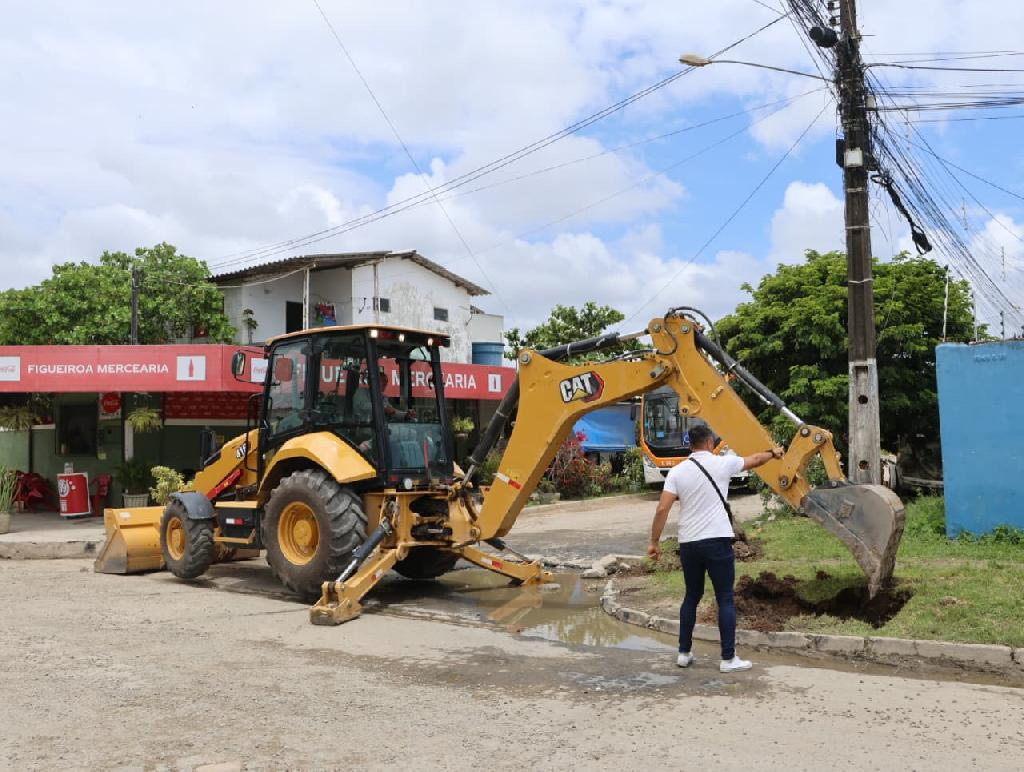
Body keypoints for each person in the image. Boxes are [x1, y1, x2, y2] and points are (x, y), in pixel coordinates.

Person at [647, 423, 783, 673]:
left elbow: (662, 509)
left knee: (691, 596)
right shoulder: (723, 463)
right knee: (725, 598)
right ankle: (728, 659)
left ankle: (684, 653)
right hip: (717, 540)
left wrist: (654, 542)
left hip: (689, 543)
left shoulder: (677, 472)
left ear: (690, 444)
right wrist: (773, 453)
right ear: (710, 442)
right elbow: (754, 459)